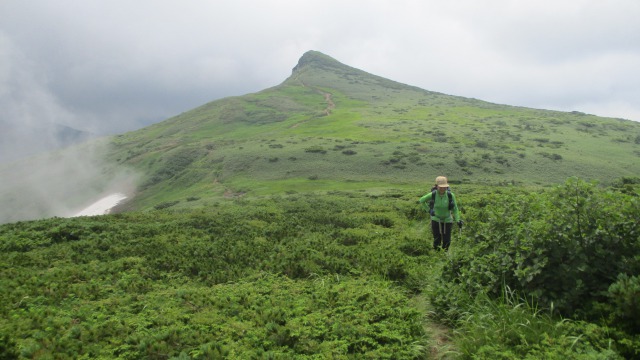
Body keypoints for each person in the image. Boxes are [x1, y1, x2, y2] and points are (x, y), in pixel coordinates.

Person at [418, 176, 463, 251]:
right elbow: (421, 200)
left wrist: (458, 220)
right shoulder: (433, 194)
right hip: (435, 219)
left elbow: (455, 209)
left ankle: (444, 256)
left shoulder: (450, 195)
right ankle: (437, 256)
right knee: (436, 240)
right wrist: (429, 210)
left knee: (447, 241)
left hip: (447, 220)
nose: (443, 189)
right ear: (437, 186)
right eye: (441, 187)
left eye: (444, 187)